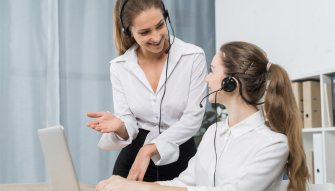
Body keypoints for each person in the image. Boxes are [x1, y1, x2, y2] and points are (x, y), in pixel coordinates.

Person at [95, 41, 310, 191]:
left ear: (230, 83)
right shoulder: (214, 132)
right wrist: (130, 186)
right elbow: (183, 183)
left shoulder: (273, 144)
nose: (206, 79)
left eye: (212, 70)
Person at [86, 0, 207, 182]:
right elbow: (129, 123)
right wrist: (120, 126)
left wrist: (148, 149)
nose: (157, 37)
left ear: (166, 17)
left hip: (181, 157)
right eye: (144, 32)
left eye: (160, 26)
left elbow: (193, 119)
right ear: (129, 32)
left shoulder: (193, 57)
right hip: (133, 160)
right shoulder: (119, 67)